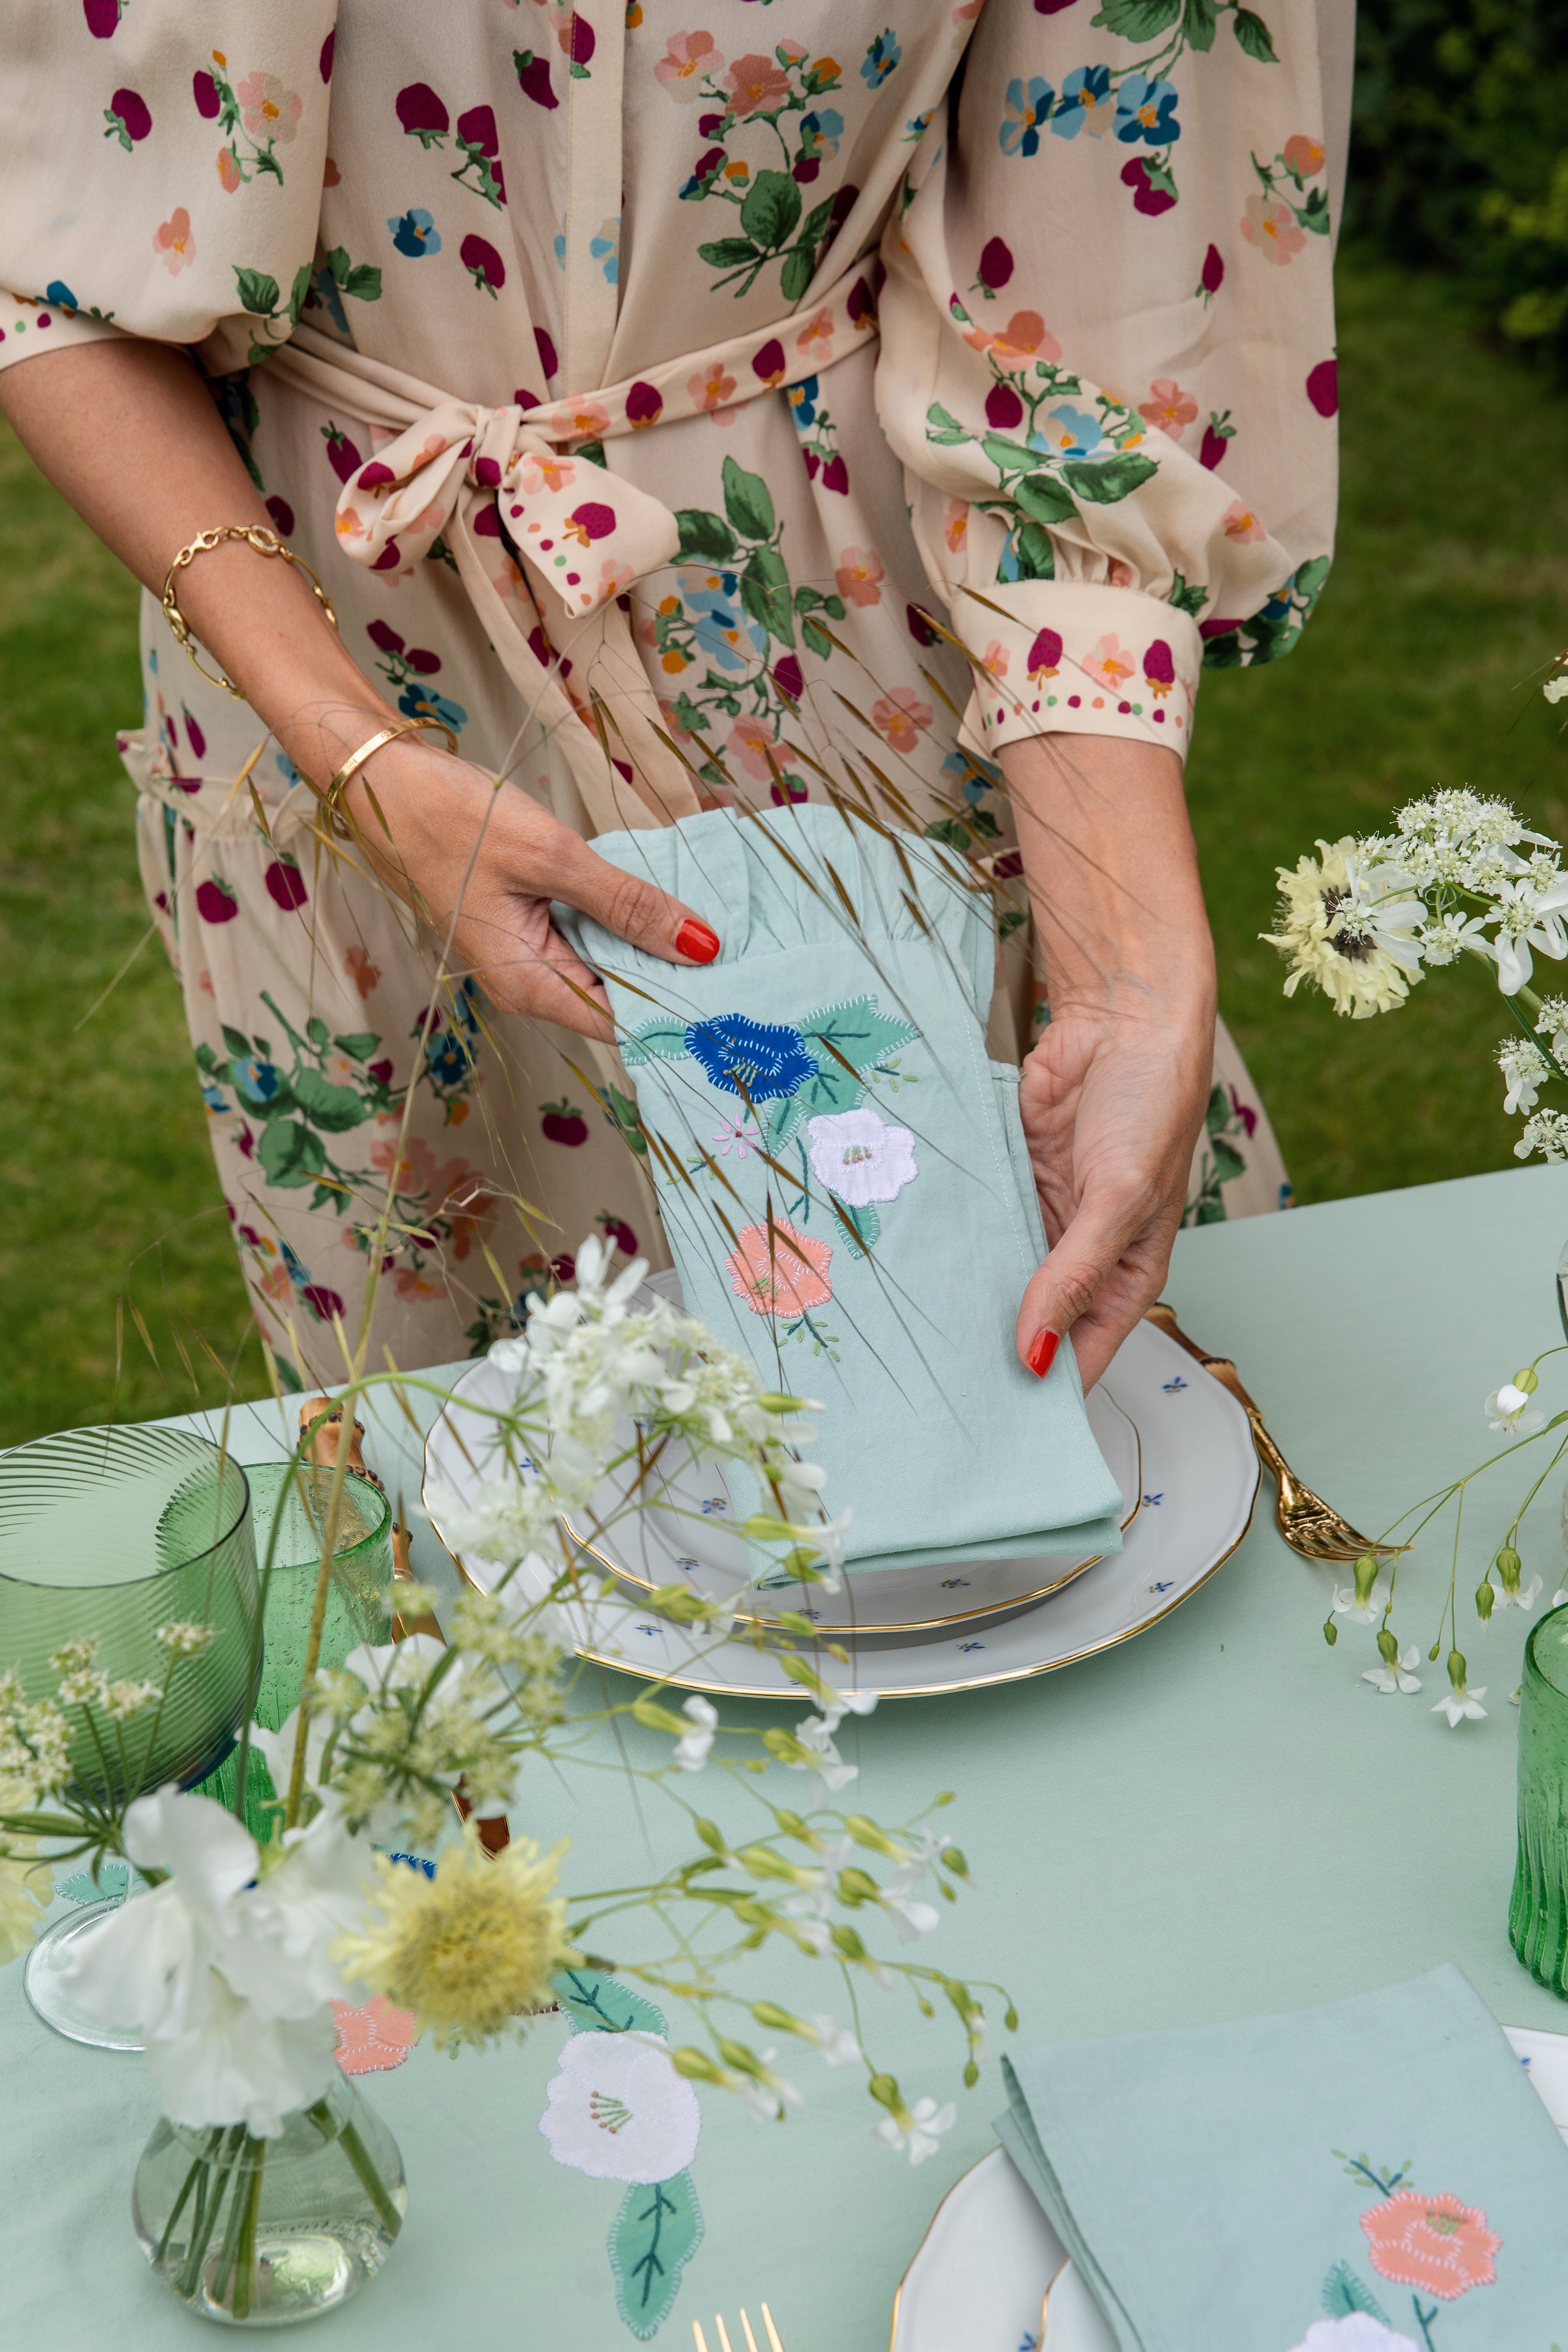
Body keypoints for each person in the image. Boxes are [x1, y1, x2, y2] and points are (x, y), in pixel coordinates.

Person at [0, 0, 1351, 1393]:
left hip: (854, 653)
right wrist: (357, 756)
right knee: (504, 1470)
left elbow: (1090, 298)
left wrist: (1126, 975)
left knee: (1031, 1412)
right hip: (337, 659)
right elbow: (45, 250)